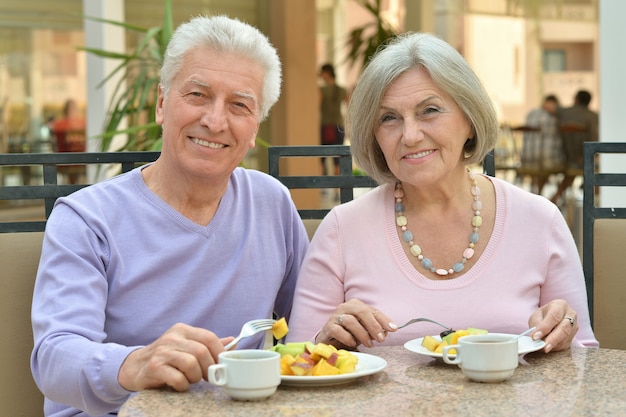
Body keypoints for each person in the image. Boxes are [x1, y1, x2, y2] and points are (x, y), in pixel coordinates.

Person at [31, 15, 310, 417]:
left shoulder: (271, 203)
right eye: (197, 95)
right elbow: (54, 359)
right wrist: (136, 363)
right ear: (162, 103)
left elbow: (301, 327)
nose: (215, 121)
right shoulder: (87, 218)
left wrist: (331, 330)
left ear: (254, 129)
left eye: (239, 105)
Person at [286, 32, 597, 353]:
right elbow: (299, 362)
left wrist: (565, 332)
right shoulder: (342, 229)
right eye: (389, 118)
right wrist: (325, 341)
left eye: (429, 110)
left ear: (470, 119)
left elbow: (585, 362)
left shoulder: (539, 220)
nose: (410, 135)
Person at [550, 89, 599, 204]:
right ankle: (594, 202)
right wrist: (583, 156)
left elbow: (548, 106)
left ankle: (555, 198)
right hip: (584, 160)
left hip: (566, 159)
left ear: (576, 99)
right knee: (599, 170)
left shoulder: (564, 112)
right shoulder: (592, 116)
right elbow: (594, 141)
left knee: (571, 173)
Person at [520, 94, 564, 194]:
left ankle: (537, 192)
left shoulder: (531, 113)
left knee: (539, 163)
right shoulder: (555, 117)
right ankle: (542, 194)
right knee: (551, 161)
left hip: (526, 160)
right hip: (547, 162)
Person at [319, 63, 349, 176]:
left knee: (321, 158)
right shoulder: (342, 90)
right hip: (338, 126)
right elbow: (350, 105)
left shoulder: (322, 90)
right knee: (338, 159)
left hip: (325, 126)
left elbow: (316, 106)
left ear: (326, 73)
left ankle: (320, 189)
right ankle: (338, 191)